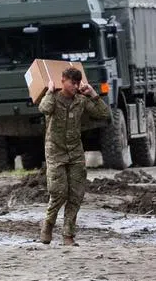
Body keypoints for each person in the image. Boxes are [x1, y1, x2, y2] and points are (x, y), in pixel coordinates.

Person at [37, 67, 110, 246]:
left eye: (78, 83)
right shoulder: (53, 98)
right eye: (72, 82)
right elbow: (44, 109)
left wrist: (93, 94)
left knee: (76, 194)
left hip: (75, 152)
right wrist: (49, 90)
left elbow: (104, 114)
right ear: (63, 80)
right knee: (59, 192)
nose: (75, 86)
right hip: (55, 152)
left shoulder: (81, 100)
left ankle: (68, 235)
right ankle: (48, 224)